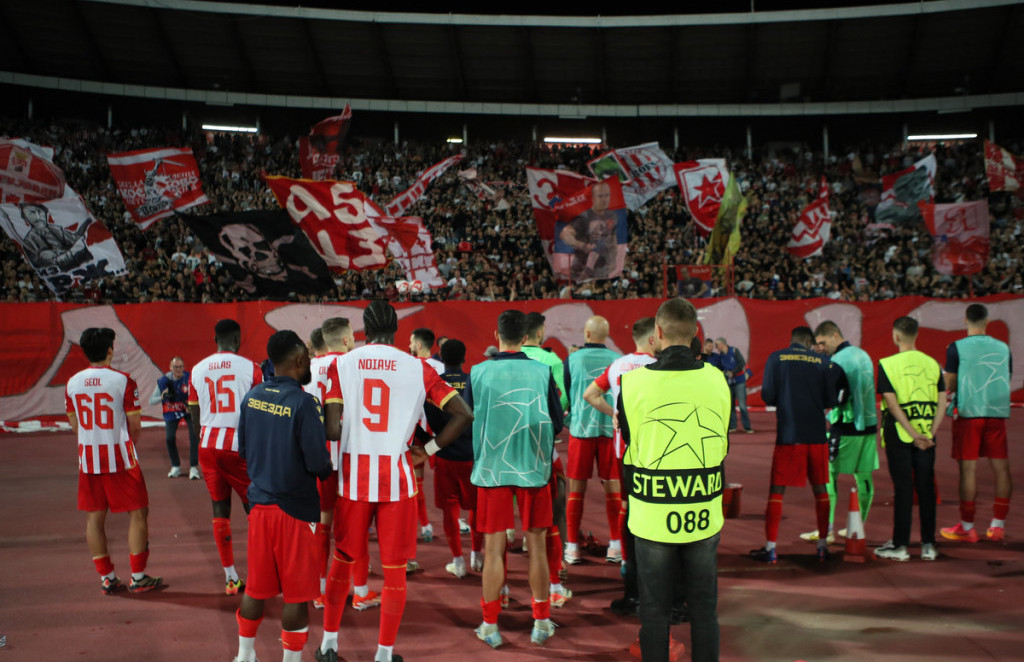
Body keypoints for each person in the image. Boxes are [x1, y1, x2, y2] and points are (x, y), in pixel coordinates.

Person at [318, 300, 473, 662]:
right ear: (396, 331)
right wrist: (429, 449)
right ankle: (384, 655)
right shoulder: (418, 366)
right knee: (394, 572)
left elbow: (331, 427)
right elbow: (463, 414)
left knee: (342, 561)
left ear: (364, 330)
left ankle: (328, 645)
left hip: (355, 478)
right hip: (398, 478)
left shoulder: (343, 363)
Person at [617, 298, 730, 662]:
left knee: (653, 611)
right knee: (703, 610)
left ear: (657, 334)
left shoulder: (630, 384)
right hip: (703, 512)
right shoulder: (717, 379)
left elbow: (630, 446)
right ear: (696, 332)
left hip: (651, 517)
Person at [232, 330, 334, 662]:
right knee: (296, 595)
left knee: (255, 589)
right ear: (300, 360)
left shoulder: (251, 397)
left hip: (260, 507)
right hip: (296, 512)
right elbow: (319, 464)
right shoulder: (305, 403)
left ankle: (244, 656)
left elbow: (244, 451)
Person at [469, 310, 564, 648]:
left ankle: (490, 626)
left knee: (494, 548)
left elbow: (468, 417)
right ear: (526, 338)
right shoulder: (542, 370)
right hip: (532, 468)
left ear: (497, 335)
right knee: (536, 545)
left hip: (493, 468)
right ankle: (540, 623)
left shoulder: (477, 371)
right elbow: (556, 422)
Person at [65, 327, 162, 594]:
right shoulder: (123, 380)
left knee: (94, 518)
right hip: (120, 457)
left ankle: (107, 577)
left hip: (89, 458)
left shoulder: (72, 383)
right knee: (138, 512)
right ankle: (138, 576)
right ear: (110, 349)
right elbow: (135, 424)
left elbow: (75, 426)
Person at [583, 317, 658, 615]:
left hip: (623, 449)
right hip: (656, 450)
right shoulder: (659, 366)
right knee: (654, 509)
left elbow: (590, 394)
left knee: (628, 507)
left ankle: (629, 569)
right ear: (654, 339)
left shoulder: (617, 365)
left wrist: (613, 411)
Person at [306, 318, 379, 612]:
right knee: (356, 525)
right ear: (347, 339)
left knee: (323, 524)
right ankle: (360, 591)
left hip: (321, 455)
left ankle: (320, 591)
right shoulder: (356, 365)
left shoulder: (308, 369)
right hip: (353, 453)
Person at [187, 319, 264, 595]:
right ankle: (260, 574)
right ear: (237, 337)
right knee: (255, 509)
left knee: (220, 510)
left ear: (215, 338)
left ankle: (231, 577)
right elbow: (259, 409)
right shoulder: (251, 368)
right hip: (238, 445)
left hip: (207, 445)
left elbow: (194, 415)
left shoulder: (197, 369)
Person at [752, 326, 840, 563]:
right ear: (810, 342)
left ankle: (771, 548)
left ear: (791, 340)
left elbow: (768, 396)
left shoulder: (777, 357)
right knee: (821, 490)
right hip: (817, 436)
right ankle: (822, 547)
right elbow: (833, 398)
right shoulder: (823, 361)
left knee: (777, 491)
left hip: (789, 436)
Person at [941, 303, 1014, 543]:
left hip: (969, 413)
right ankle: (997, 525)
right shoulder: (1003, 348)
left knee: (968, 470)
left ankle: (968, 526)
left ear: (965, 320)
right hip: (996, 411)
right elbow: (1007, 376)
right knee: (1001, 468)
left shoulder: (956, 348)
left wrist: (946, 378)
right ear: (987, 321)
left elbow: (950, 385)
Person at [874, 317, 946, 561]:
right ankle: (928, 544)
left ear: (896, 336)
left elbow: (891, 403)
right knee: (926, 488)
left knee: (903, 488)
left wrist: (912, 434)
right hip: (928, 435)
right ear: (917, 335)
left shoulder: (887, 364)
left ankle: (900, 545)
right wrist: (929, 434)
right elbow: (942, 402)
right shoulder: (933, 364)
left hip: (899, 434)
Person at [802, 321, 878, 544]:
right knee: (864, 476)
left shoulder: (837, 361)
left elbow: (835, 396)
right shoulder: (863, 355)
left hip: (846, 426)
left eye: (823, 343)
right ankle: (857, 527)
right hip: (870, 426)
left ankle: (828, 530)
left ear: (836, 335)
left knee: (828, 476)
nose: (821, 347)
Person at [563, 315, 622, 565]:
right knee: (613, 489)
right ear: (606, 336)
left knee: (576, 490)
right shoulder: (618, 361)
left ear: (587, 334)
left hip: (581, 431)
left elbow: (567, 392)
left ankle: (573, 547)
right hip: (610, 431)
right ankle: (616, 546)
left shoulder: (571, 359)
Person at [520, 311, 570, 604]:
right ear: (539, 333)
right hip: (542, 448)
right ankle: (556, 575)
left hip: (504, 452)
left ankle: (499, 595)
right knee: (554, 510)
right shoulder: (551, 361)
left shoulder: (490, 366)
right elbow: (561, 401)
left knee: (498, 528)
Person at [422, 339, 483, 578]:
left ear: (441, 359)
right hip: (473, 456)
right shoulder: (474, 382)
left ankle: (457, 561)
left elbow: (428, 420)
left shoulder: (436, 385)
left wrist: (430, 445)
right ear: (464, 357)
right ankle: (477, 555)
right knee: (476, 509)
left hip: (445, 456)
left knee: (450, 511)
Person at [409, 326, 443, 544]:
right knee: (448, 485)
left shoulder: (411, 366)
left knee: (416, 484)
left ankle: (424, 525)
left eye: (411, 342)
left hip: (418, 433)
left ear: (419, 345)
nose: (409, 345)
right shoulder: (441, 367)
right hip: (442, 433)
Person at [149, 356, 201, 479]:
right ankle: (176, 466)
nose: (179, 369)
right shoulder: (164, 381)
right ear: (170, 368)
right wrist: (164, 395)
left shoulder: (190, 378)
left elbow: (199, 393)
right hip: (172, 411)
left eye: (181, 367)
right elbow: (151, 401)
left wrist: (193, 403)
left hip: (187, 410)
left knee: (194, 434)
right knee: (169, 438)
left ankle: (193, 467)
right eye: (176, 367)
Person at [558, 180, 621, 281]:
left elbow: (612, 240)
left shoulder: (612, 216)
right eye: (600, 196)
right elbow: (564, 234)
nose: (604, 199)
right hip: (581, 268)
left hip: (601, 269)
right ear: (593, 198)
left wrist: (613, 261)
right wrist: (582, 245)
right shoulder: (584, 217)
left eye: (607, 195)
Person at [714, 337, 753, 433]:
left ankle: (747, 427)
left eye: (717, 345)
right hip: (729, 383)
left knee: (742, 405)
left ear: (722, 344)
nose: (716, 347)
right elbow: (720, 367)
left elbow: (741, 363)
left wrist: (733, 372)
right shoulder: (721, 356)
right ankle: (733, 426)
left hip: (739, 381)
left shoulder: (734, 351)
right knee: (730, 406)